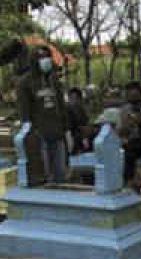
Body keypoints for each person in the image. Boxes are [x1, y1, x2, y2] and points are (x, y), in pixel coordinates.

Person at [16, 46, 68, 183]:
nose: (45, 61)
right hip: (39, 135)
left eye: (47, 57)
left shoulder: (54, 81)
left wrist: (66, 129)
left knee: (60, 173)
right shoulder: (24, 83)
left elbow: (61, 106)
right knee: (44, 174)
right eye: (41, 58)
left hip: (57, 133)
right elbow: (24, 112)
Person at [66, 87, 92, 154]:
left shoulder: (81, 110)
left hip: (80, 137)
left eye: (76, 98)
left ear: (80, 99)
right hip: (71, 138)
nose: (74, 101)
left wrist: (85, 136)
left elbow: (86, 123)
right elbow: (68, 128)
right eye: (71, 98)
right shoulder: (66, 110)